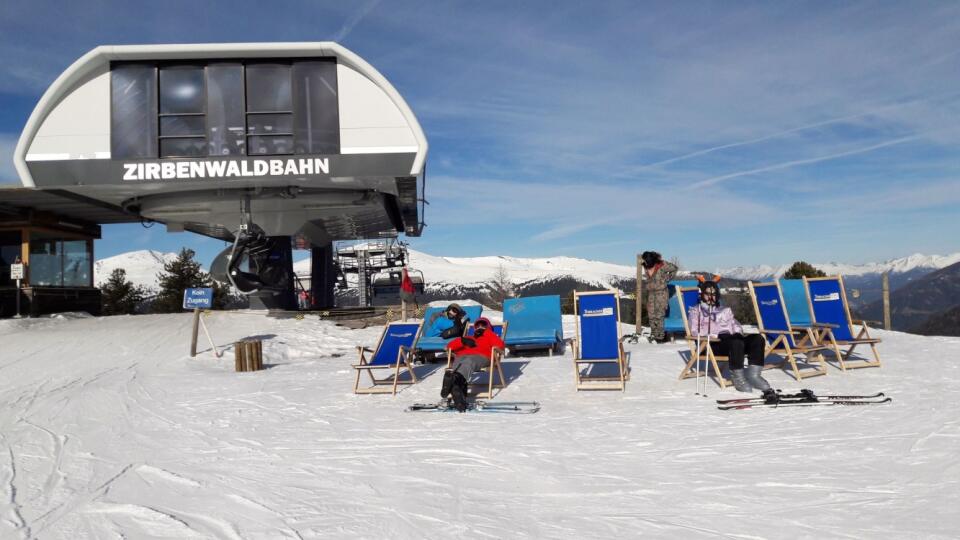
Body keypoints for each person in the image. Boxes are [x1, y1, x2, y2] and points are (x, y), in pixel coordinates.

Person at [687, 276, 771, 394]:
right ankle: (738, 379)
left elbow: (735, 324)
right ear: (702, 295)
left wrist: (737, 332)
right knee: (736, 343)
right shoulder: (696, 311)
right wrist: (715, 334)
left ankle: (754, 375)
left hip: (732, 340)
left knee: (757, 339)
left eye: (714, 294)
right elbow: (694, 331)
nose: (711, 297)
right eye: (707, 294)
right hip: (712, 344)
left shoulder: (724, 310)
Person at [440, 317, 505, 412]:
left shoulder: (491, 336)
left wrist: (486, 333)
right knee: (458, 361)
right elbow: (449, 346)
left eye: (483, 325)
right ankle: (457, 391)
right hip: (462, 356)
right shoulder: (469, 337)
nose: (480, 327)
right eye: (478, 325)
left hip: (481, 356)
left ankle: (453, 381)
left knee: (469, 361)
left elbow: (500, 346)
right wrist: (462, 341)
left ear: (488, 327)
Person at [641, 251, 678, 343]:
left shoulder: (661, 265)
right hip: (651, 293)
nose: (645, 262)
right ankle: (654, 335)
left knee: (659, 315)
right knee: (651, 315)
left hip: (661, 293)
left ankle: (660, 338)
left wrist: (666, 279)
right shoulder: (645, 266)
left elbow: (675, 268)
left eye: (646, 261)